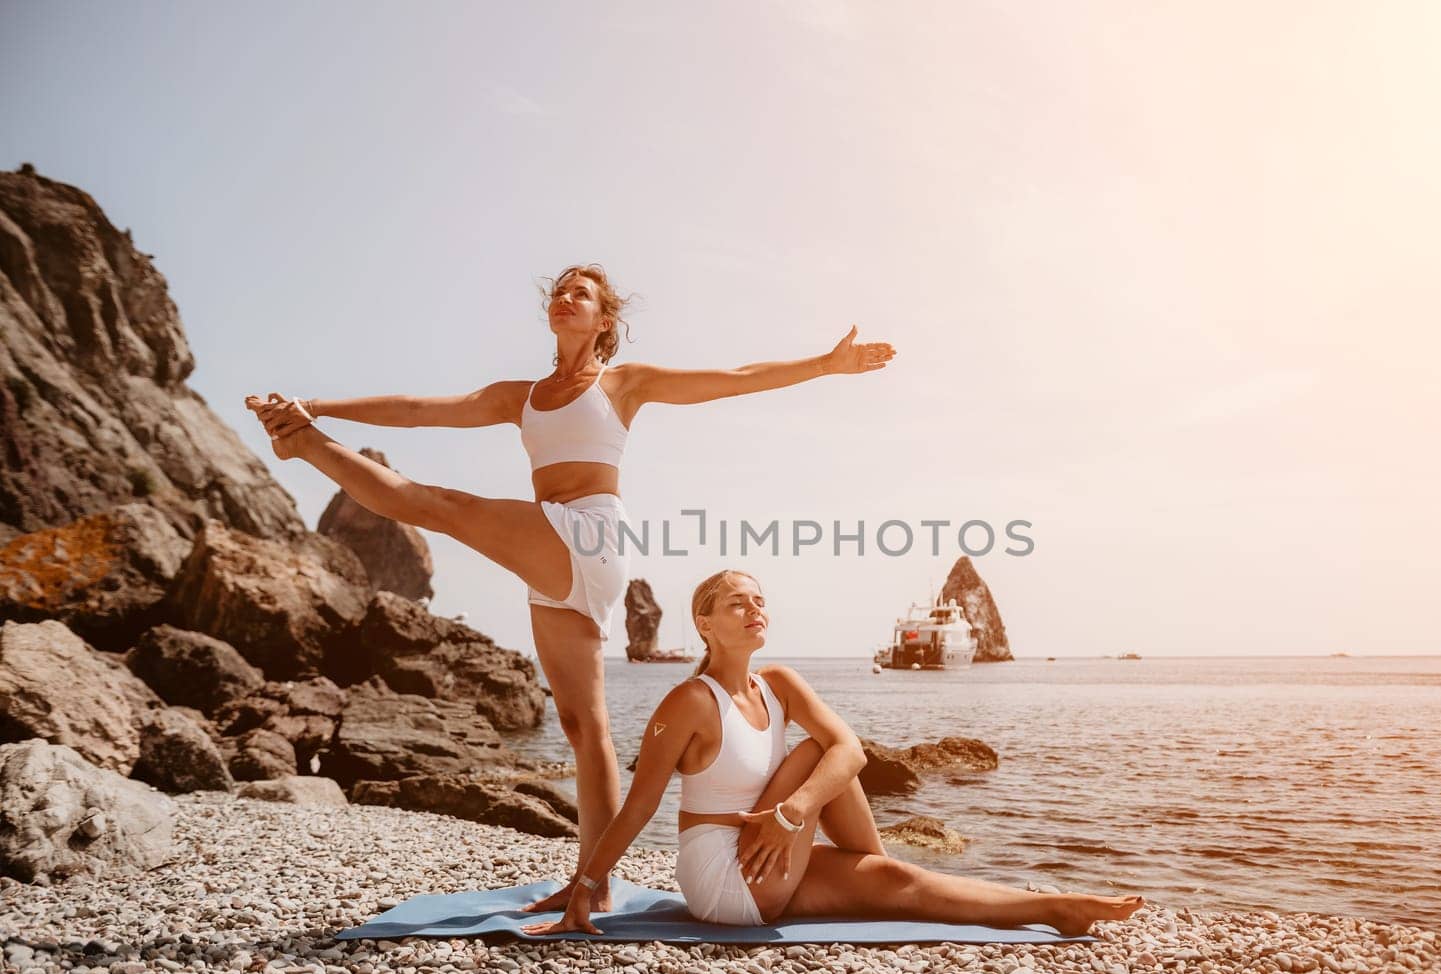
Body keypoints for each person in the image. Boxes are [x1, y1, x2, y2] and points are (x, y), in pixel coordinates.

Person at [244, 265, 894, 914]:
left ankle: (301, 444)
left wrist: (827, 364)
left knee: (438, 503)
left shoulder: (622, 383)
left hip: (586, 535)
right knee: (584, 726)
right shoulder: (518, 395)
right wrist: (320, 402)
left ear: (604, 320)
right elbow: (417, 411)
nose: (564, 299)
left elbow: (738, 379)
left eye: (580, 294)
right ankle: (596, 882)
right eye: (558, 292)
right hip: (555, 560)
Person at [520, 570, 1144, 936]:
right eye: (737, 602)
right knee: (810, 754)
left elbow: (852, 752)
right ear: (704, 624)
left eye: (759, 600)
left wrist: (793, 814)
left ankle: (1055, 907)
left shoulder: (781, 684)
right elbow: (640, 806)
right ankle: (858, 866)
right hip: (723, 877)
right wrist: (587, 885)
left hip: (775, 847)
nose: (754, 608)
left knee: (894, 874)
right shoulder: (689, 700)